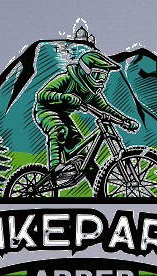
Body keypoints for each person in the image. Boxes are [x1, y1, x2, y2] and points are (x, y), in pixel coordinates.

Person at [30, 23, 133, 192]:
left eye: (104, 77)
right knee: (59, 130)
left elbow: (105, 108)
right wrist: (67, 97)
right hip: (46, 110)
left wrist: (124, 120)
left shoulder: (92, 92)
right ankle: (55, 168)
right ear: (85, 71)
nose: (101, 80)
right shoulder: (67, 79)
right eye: (97, 75)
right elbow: (42, 95)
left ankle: (99, 192)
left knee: (85, 157)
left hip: (63, 114)